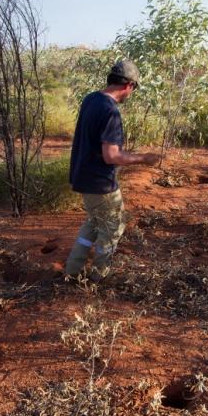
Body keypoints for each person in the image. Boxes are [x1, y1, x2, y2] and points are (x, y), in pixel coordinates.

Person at [64, 60, 160, 281]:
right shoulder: (110, 111)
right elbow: (112, 155)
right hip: (100, 183)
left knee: (93, 223)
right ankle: (99, 278)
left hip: (83, 177)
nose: (131, 93)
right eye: (133, 89)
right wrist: (144, 158)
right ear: (128, 85)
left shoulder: (91, 99)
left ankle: (72, 271)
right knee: (113, 227)